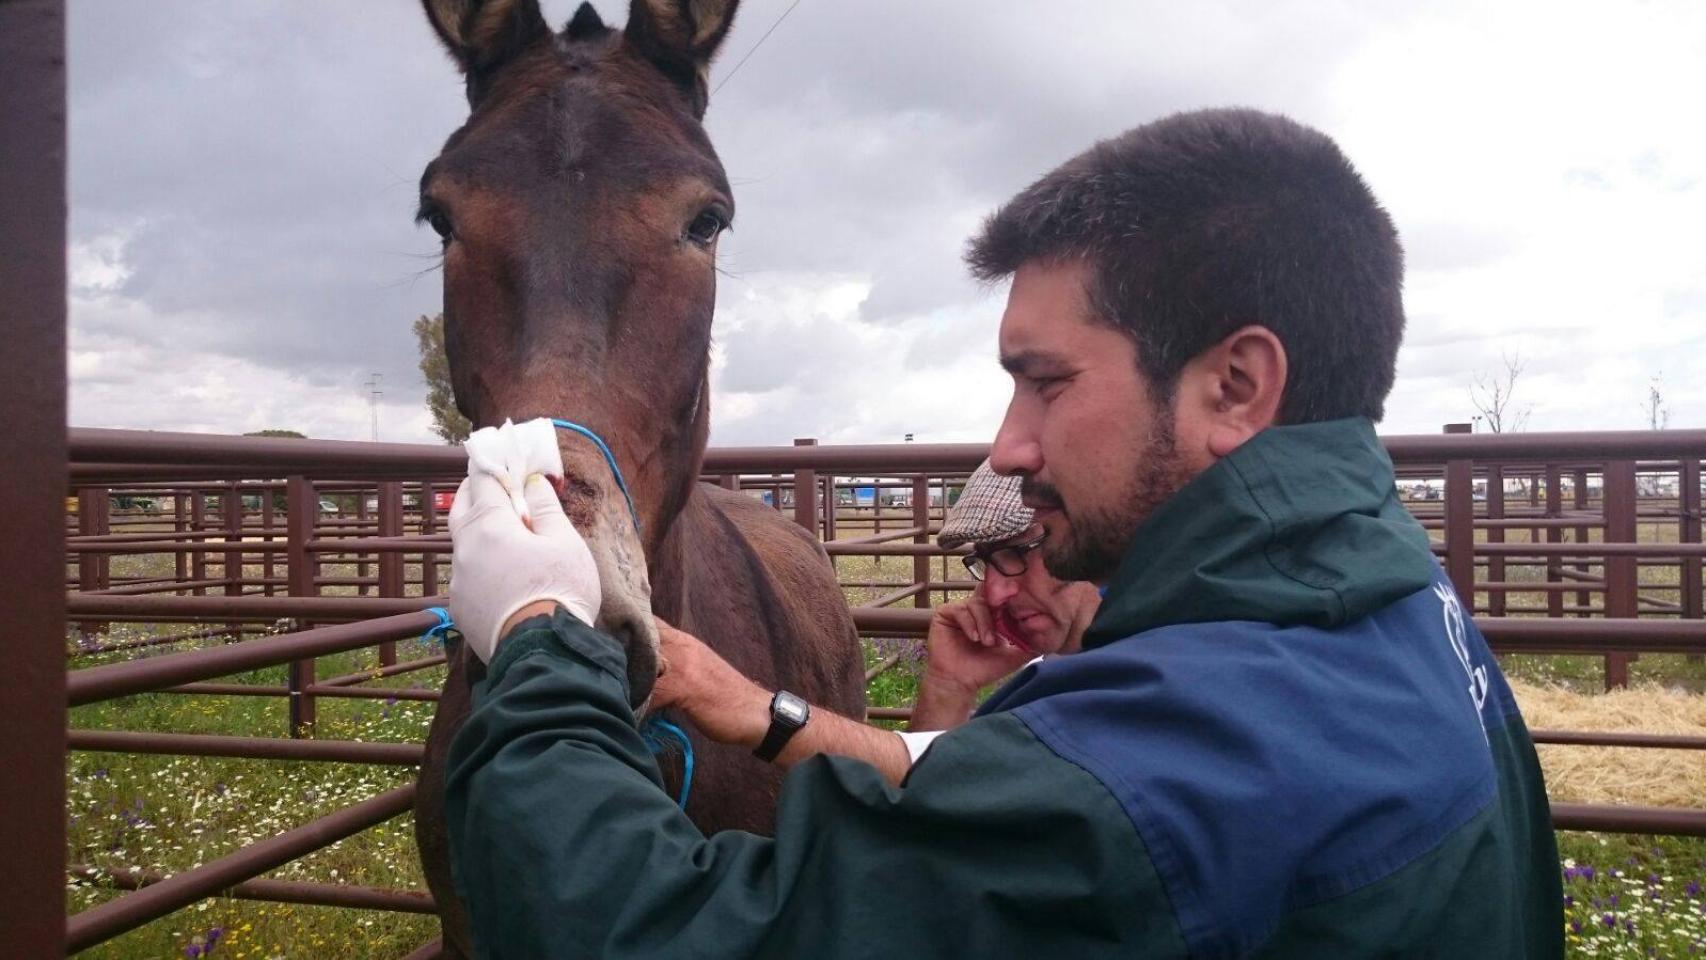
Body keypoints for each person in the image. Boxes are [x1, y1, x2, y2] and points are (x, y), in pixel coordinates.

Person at [444, 109, 1562, 959]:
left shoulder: (1173, 764)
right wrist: (770, 708)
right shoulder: (1397, 604)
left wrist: (541, 634)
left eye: (1047, 382)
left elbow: (642, 929)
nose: (1009, 446)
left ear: (1234, 385)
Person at [647, 458, 1102, 786]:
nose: (994, 594)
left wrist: (751, 707)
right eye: (986, 561)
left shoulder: (1123, 684)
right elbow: (930, 789)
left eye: (1018, 551)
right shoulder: (1063, 672)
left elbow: (981, 784)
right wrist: (948, 686)